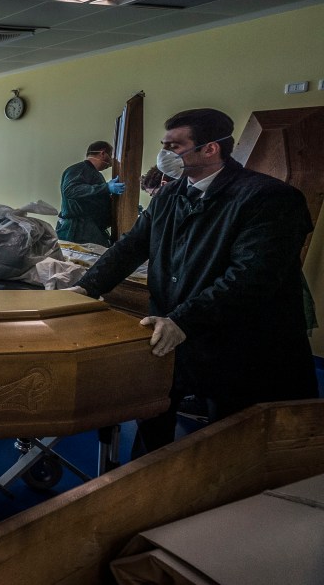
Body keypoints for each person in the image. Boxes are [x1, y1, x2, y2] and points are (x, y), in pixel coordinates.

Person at [72, 108, 318, 456]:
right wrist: (86, 287)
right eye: (164, 145)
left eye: (174, 146)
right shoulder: (170, 196)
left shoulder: (268, 198)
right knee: (153, 422)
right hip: (174, 331)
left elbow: (250, 277)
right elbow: (130, 247)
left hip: (240, 343)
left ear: (210, 149)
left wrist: (183, 320)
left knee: (233, 443)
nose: (164, 155)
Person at [56, 141, 125, 247]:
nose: (111, 162)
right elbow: (70, 190)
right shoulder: (78, 169)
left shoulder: (96, 175)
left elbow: (95, 199)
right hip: (77, 230)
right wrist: (106, 187)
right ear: (103, 153)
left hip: (92, 229)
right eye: (110, 156)